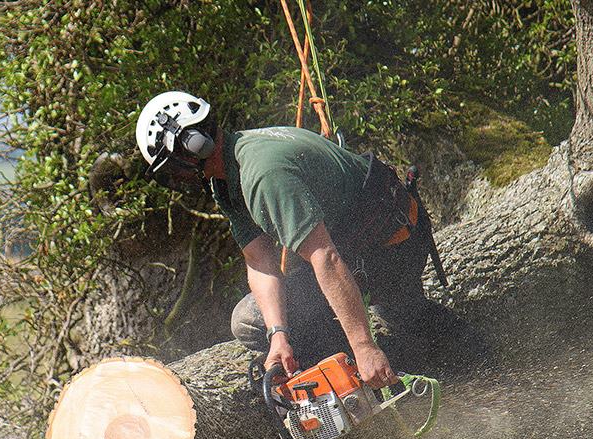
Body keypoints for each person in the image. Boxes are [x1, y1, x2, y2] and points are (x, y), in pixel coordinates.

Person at [135, 91, 444, 390]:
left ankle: (365, 374)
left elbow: (325, 256)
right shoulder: (228, 173)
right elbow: (259, 262)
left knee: (251, 321)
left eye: (173, 169)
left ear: (192, 145)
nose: (178, 179)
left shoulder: (261, 175)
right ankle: (372, 362)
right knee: (254, 321)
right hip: (368, 244)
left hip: (390, 248)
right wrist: (278, 336)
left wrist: (364, 347)